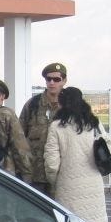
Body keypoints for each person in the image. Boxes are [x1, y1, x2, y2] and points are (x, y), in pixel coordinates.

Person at [44, 86, 111, 222]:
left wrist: (54, 181)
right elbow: (109, 148)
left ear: (61, 104)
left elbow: (51, 163)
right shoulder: (94, 123)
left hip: (67, 186)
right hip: (94, 186)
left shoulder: (56, 127)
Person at [20, 62, 67, 194]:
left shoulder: (69, 107)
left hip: (60, 174)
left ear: (64, 81)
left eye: (56, 79)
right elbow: (19, 137)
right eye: (48, 79)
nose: (52, 83)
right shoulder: (33, 105)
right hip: (35, 174)